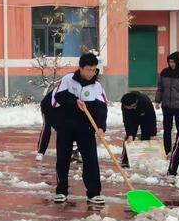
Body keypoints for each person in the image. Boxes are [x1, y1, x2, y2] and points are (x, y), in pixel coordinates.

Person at [51, 53, 107, 204]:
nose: (91, 73)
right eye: (88, 69)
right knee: (63, 158)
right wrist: (74, 101)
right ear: (81, 68)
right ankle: (61, 191)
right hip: (66, 126)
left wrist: (101, 126)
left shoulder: (97, 87)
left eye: (94, 70)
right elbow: (58, 96)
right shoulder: (68, 79)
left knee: (91, 159)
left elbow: (102, 108)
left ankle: (94, 193)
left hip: (86, 128)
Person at [155, 51, 179, 156]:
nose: (171, 64)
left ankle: (177, 150)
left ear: (178, 62)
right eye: (169, 62)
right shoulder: (164, 73)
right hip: (166, 106)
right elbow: (160, 88)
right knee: (167, 129)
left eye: (173, 62)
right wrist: (157, 101)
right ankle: (167, 151)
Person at [36, 89, 82, 164]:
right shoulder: (66, 86)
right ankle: (40, 152)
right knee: (47, 127)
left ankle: (73, 153)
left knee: (73, 127)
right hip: (48, 106)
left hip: (64, 108)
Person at [120, 91, 157, 167]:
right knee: (129, 138)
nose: (134, 108)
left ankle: (144, 159)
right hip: (132, 119)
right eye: (124, 106)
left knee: (146, 136)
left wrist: (153, 134)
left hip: (145, 117)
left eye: (134, 106)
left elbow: (152, 118)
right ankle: (125, 159)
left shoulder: (145, 101)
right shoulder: (125, 106)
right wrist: (130, 134)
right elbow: (127, 121)